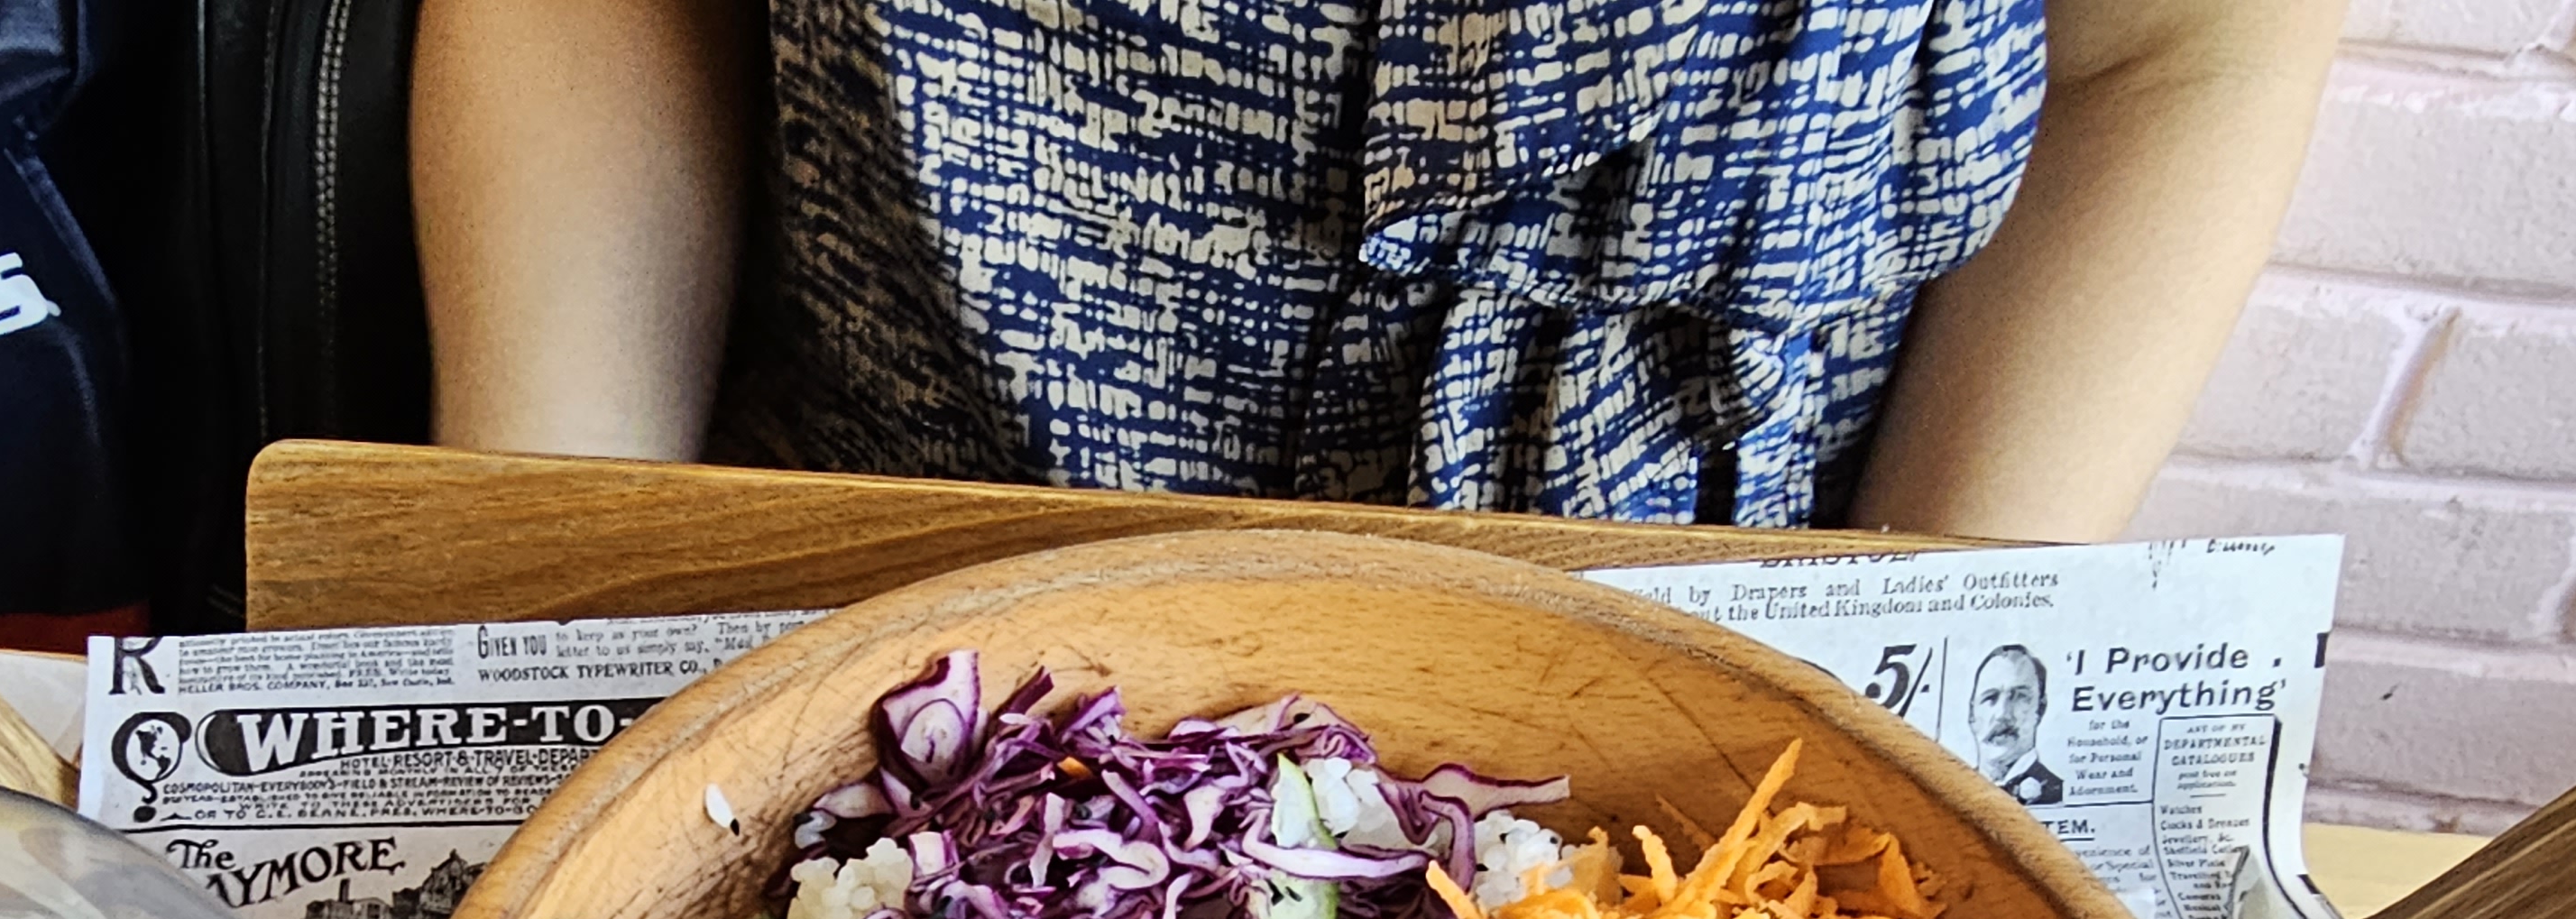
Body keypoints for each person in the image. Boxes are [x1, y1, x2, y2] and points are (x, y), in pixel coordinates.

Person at [407, 0, 2341, 541]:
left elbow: (2171, 46)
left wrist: (1932, 667)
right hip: (866, 569)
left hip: (1720, 649)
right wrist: (536, 588)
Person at [1968, 644, 2068, 805]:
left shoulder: (2059, 796)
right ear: (1971, 714)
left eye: (2019, 697)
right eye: (1990, 698)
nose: (2002, 714)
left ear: (2040, 709)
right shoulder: (1948, 793)